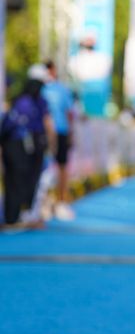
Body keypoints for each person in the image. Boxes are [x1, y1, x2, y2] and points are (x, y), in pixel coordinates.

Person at [1, 64, 55, 228]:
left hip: (13, 145)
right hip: (25, 147)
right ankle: (22, 215)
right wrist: (52, 145)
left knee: (14, 181)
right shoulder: (36, 102)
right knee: (26, 180)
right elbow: (48, 124)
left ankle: (13, 216)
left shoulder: (20, 100)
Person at [42, 60, 76, 220]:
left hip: (60, 132)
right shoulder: (40, 89)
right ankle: (43, 202)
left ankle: (61, 201)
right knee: (44, 168)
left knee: (62, 167)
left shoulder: (61, 89)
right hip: (45, 134)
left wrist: (70, 133)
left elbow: (69, 112)